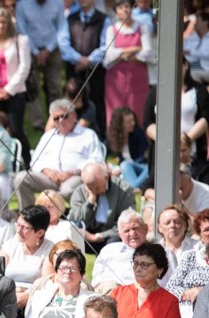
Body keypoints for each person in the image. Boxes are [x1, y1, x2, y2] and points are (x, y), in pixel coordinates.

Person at [13, 98, 105, 209]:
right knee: (21, 178)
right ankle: (30, 218)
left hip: (75, 177)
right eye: (56, 118)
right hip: (49, 178)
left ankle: (78, 217)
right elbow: (35, 160)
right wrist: (46, 170)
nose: (61, 121)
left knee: (67, 190)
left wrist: (72, 172)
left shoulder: (87, 134)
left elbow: (96, 159)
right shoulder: (48, 136)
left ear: (74, 115)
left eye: (64, 116)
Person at [0, 7, 31, 165]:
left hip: (16, 92)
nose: (1, 26)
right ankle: (0, 161)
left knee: (16, 129)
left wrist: (9, 89)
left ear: (9, 24)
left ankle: (26, 162)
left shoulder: (20, 40)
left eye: (3, 22)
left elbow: (24, 67)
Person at [57, 0, 109, 134]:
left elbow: (106, 44)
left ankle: (100, 137)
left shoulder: (103, 19)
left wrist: (90, 60)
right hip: (75, 70)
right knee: (73, 103)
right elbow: (63, 43)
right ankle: (70, 134)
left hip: (96, 71)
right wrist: (79, 59)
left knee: (97, 103)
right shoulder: (69, 19)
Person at [15, 0, 64, 132]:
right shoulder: (22, 5)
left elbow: (61, 28)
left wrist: (48, 50)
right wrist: (36, 52)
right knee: (32, 88)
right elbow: (21, 29)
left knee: (54, 86)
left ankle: (57, 116)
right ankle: (38, 123)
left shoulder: (57, 3)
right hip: (30, 49)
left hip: (52, 49)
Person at [103, 0, 151, 129]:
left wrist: (122, 56)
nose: (124, 9)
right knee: (116, 110)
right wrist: (132, 49)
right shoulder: (111, 30)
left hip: (137, 77)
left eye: (127, 6)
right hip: (116, 78)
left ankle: (139, 145)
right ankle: (116, 145)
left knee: (138, 109)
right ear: (116, 12)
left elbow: (146, 52)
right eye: (120, 7)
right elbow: (110, 54)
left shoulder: (141, 27)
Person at [68, 163, 136, 249]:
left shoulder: (124, 190)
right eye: (89, 187)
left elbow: (127, 222)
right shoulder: (80, 191)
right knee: (71, 236)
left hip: (111, 235)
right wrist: (90, 202)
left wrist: (100, 236)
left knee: (114, 242)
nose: (93, 190)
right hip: (87, 234)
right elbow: (73, 220)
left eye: (96, 187)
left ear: (106, 178)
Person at [0, 205, 54, 309]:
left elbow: (47, 282)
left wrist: (28, 295)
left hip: (35, 299)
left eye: (25, 228)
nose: (19, 230)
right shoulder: (10, 246)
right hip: (7, 296)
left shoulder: (50, 250)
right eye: (18, 225)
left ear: (40, 232)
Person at [166, 213, 209, 318]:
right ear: (200, 235)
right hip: (187, 316)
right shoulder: (190, 256)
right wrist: (189, 292)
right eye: (206, 230)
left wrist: (202, 291)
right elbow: (171, 287)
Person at [90, 209, 149, 294]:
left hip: (140, 295)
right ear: (120, 235)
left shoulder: (157, 252)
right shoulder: (109, 250)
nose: (132, 234)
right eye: (127, 231)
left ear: (146, 228)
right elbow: (96, 279)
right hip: (110, 295)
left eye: (135, 228)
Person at [107, 107, 149, 190]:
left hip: (140, 167)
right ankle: (134, 189)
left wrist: (123, 166)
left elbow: (143, 156)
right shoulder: (112, 139)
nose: (132, 123)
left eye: (133, 120)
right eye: (128, 122)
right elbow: (108, 158)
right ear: (120, 124)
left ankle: (131, 189)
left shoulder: (138, 134)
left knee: (126, 165)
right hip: (123, 172)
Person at [158, 204, 195, 277]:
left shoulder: (198, 247)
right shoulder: (152, 251)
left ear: (186, 225)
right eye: (167, 223)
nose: (172, 226)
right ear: (160, 228)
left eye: (177, 222)